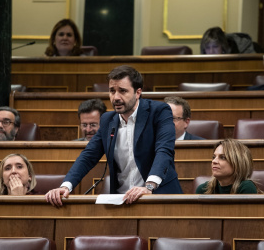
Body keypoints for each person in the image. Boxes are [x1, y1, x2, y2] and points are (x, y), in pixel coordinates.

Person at [46, 65, 183, 206]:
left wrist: (149, 187)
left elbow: (164, 150)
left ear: (138, 93)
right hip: (121, 201)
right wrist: (66, 186)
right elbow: (88, 156)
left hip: (158, 197)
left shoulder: (159, 111)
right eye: (112, 91)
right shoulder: (107, 120)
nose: (116, 97)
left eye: (122, 91)